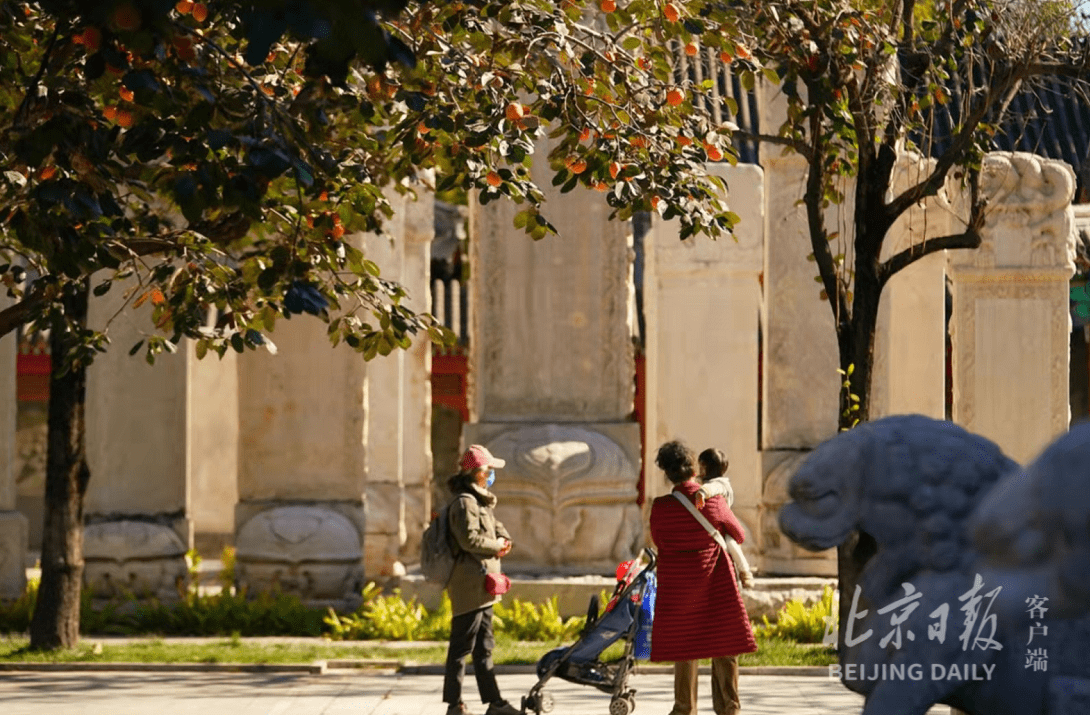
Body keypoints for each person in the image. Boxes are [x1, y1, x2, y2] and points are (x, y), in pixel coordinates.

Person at [650, 441, 757, 715]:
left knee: (685, 647)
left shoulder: (660, 507)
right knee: (725, 644)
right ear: (694, 469)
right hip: (715, 583)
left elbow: (660, 541)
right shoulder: (714, 501)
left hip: (679, 587)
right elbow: (740, 535)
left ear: (667, 473)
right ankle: (729, 708)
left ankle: (684, 708)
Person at [442, 445, 521, 715]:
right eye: (488, 470)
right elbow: (469, 540)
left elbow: (493, 529)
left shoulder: (480, 501)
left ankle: (494, 703)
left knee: (484, 648)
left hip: (483, 585)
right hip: (469, 586)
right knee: (461, 648)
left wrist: (504, 539)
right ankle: (454, 705)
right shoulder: (465, 502)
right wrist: (495, 545)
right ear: (477, 473)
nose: (490, 475)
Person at [695, 448, 755, 588]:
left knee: (731, 543)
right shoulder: (710, 481)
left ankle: (745, 571)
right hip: (714, 525)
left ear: (705, 466)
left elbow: (712, 488)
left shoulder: (720, 484)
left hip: (722, 525)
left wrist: (702, 493)